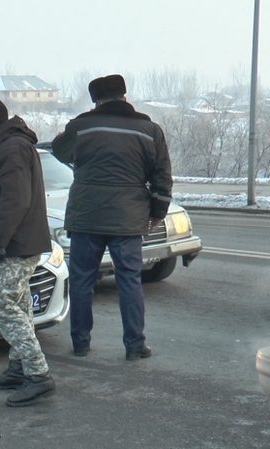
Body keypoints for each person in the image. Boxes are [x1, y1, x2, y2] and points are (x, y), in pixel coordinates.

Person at [51, 74, 172, 362]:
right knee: (129, 280)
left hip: (86, 216)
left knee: (82, 281)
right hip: (128, 218)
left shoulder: (81, 126)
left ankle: (81, 343)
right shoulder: (150, 130)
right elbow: (162, 177)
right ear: (124, 96)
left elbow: (58, 150)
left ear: (96, 101)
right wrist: (157, 213)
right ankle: (135, 345)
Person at [0, 94, 55, 407]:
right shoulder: (12, 144)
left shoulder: (10, 148)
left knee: (6, 309)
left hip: (14, 245)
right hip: (22, 242)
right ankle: (19, 367)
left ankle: (38, 375)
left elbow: (15, 200)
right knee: (20, 306)